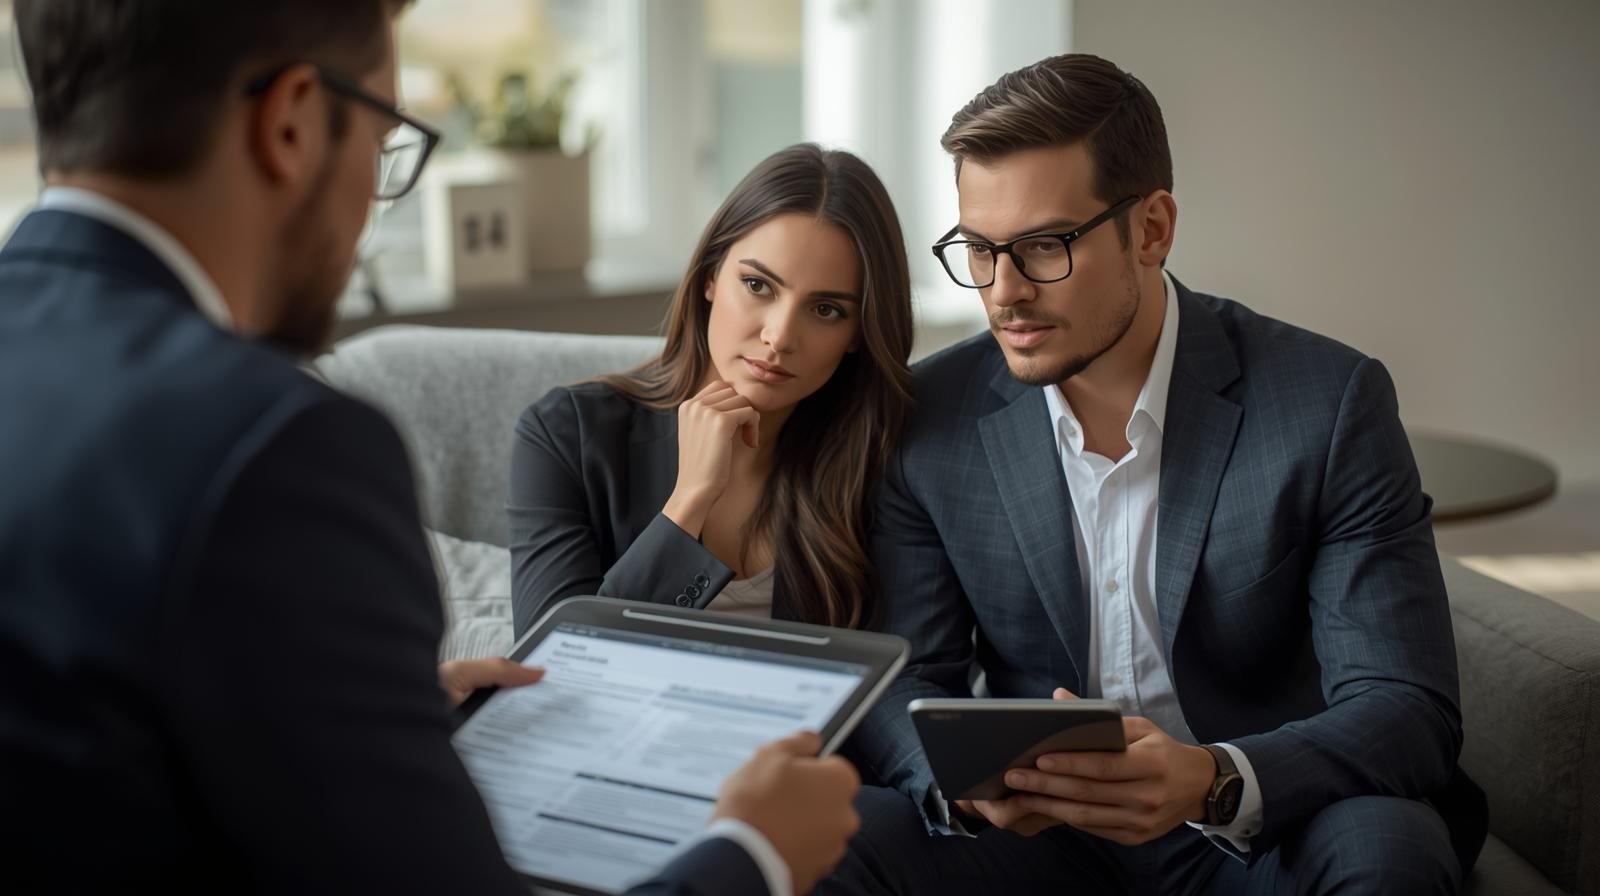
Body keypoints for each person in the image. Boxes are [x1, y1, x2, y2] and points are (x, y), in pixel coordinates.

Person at [0, 3, 859, 893]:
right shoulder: (277, 445)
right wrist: (751, 854)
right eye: (386, 143)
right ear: (291, 122)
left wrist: (360, 724)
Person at [820, 53, 1483, 895]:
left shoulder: (1329, 402)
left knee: (1387, 850)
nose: (1005, 292)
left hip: (1265, 822)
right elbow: (905, 675)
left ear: (1153, 228)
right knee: (835, 837)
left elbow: (1405, 704)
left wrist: (1213, 778)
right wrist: (972, 787)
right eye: (979, 250)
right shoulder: (929, 417)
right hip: (1040, 834)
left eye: (1045, 246)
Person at [508, 143, 913, 635]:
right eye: (758, 286)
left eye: (826, 310)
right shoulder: (564, 434)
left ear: (857, 335)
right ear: (709, 278)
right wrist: (689, 501)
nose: (780, 336)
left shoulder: (883, 455)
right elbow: (557, 661)